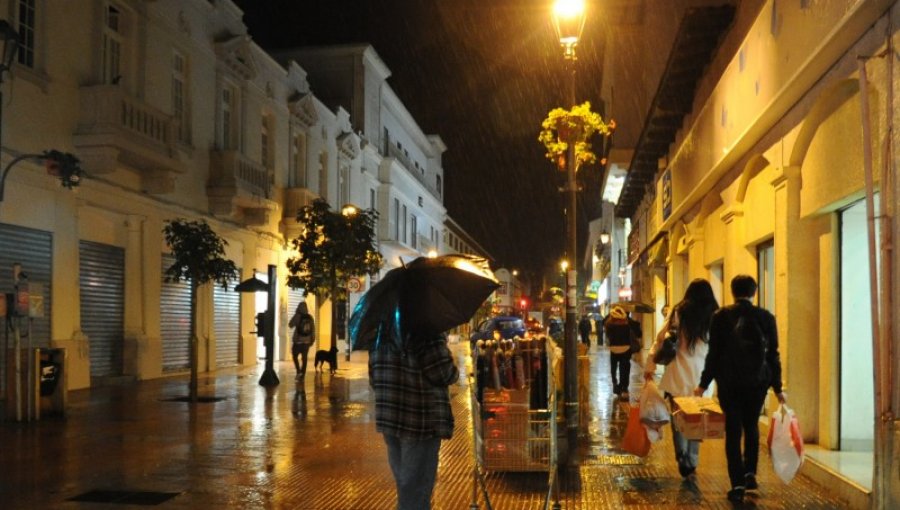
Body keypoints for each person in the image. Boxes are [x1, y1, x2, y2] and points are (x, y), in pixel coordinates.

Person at [695, 275, 785, 502]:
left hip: (729, 383)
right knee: (751, 425)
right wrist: (777, 387)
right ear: (754, 292)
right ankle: (750, 473)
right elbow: (773, 355)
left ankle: (737, 483)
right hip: (757, 382)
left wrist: (703, 384)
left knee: (733, 430)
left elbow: (713, 355)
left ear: (733, 291)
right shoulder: (766, 317)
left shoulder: (721, 317)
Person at [369, 327, 459, 510]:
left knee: (406, 486)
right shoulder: (425, 328)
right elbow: (443, 372)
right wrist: (453, 365)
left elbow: (373, 376)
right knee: (416, 492)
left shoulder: (380, 332)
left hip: (390, 418)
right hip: (420, 421)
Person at [644, 279, 719, 482]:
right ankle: (692, 461)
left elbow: (661, 338)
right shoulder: (714, 315)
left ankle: (681, 455)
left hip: (677, 374)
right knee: (696, 419)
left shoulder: (678, 312)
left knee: (679, 418)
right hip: (701, 377)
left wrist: (650, 365)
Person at [604, 305, 635, 399]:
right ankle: (623, 387)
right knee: (624, 368)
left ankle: (615, 383)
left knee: (613, 367)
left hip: (614, 348)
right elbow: (638, 331)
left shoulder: (609, 323)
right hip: (626, 348)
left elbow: (604, 324)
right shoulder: (628, 322)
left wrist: (610, 314)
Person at [288, 302, 315, 381]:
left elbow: (290, 325)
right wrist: (312, 340)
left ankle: (298, 371)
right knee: (304, 358)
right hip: (307, 342)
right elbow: (313, 330)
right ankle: (302, 376)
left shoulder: (297, 316)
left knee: (294, 355)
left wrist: (296, 314)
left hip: (298, 341)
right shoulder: (310, 317)